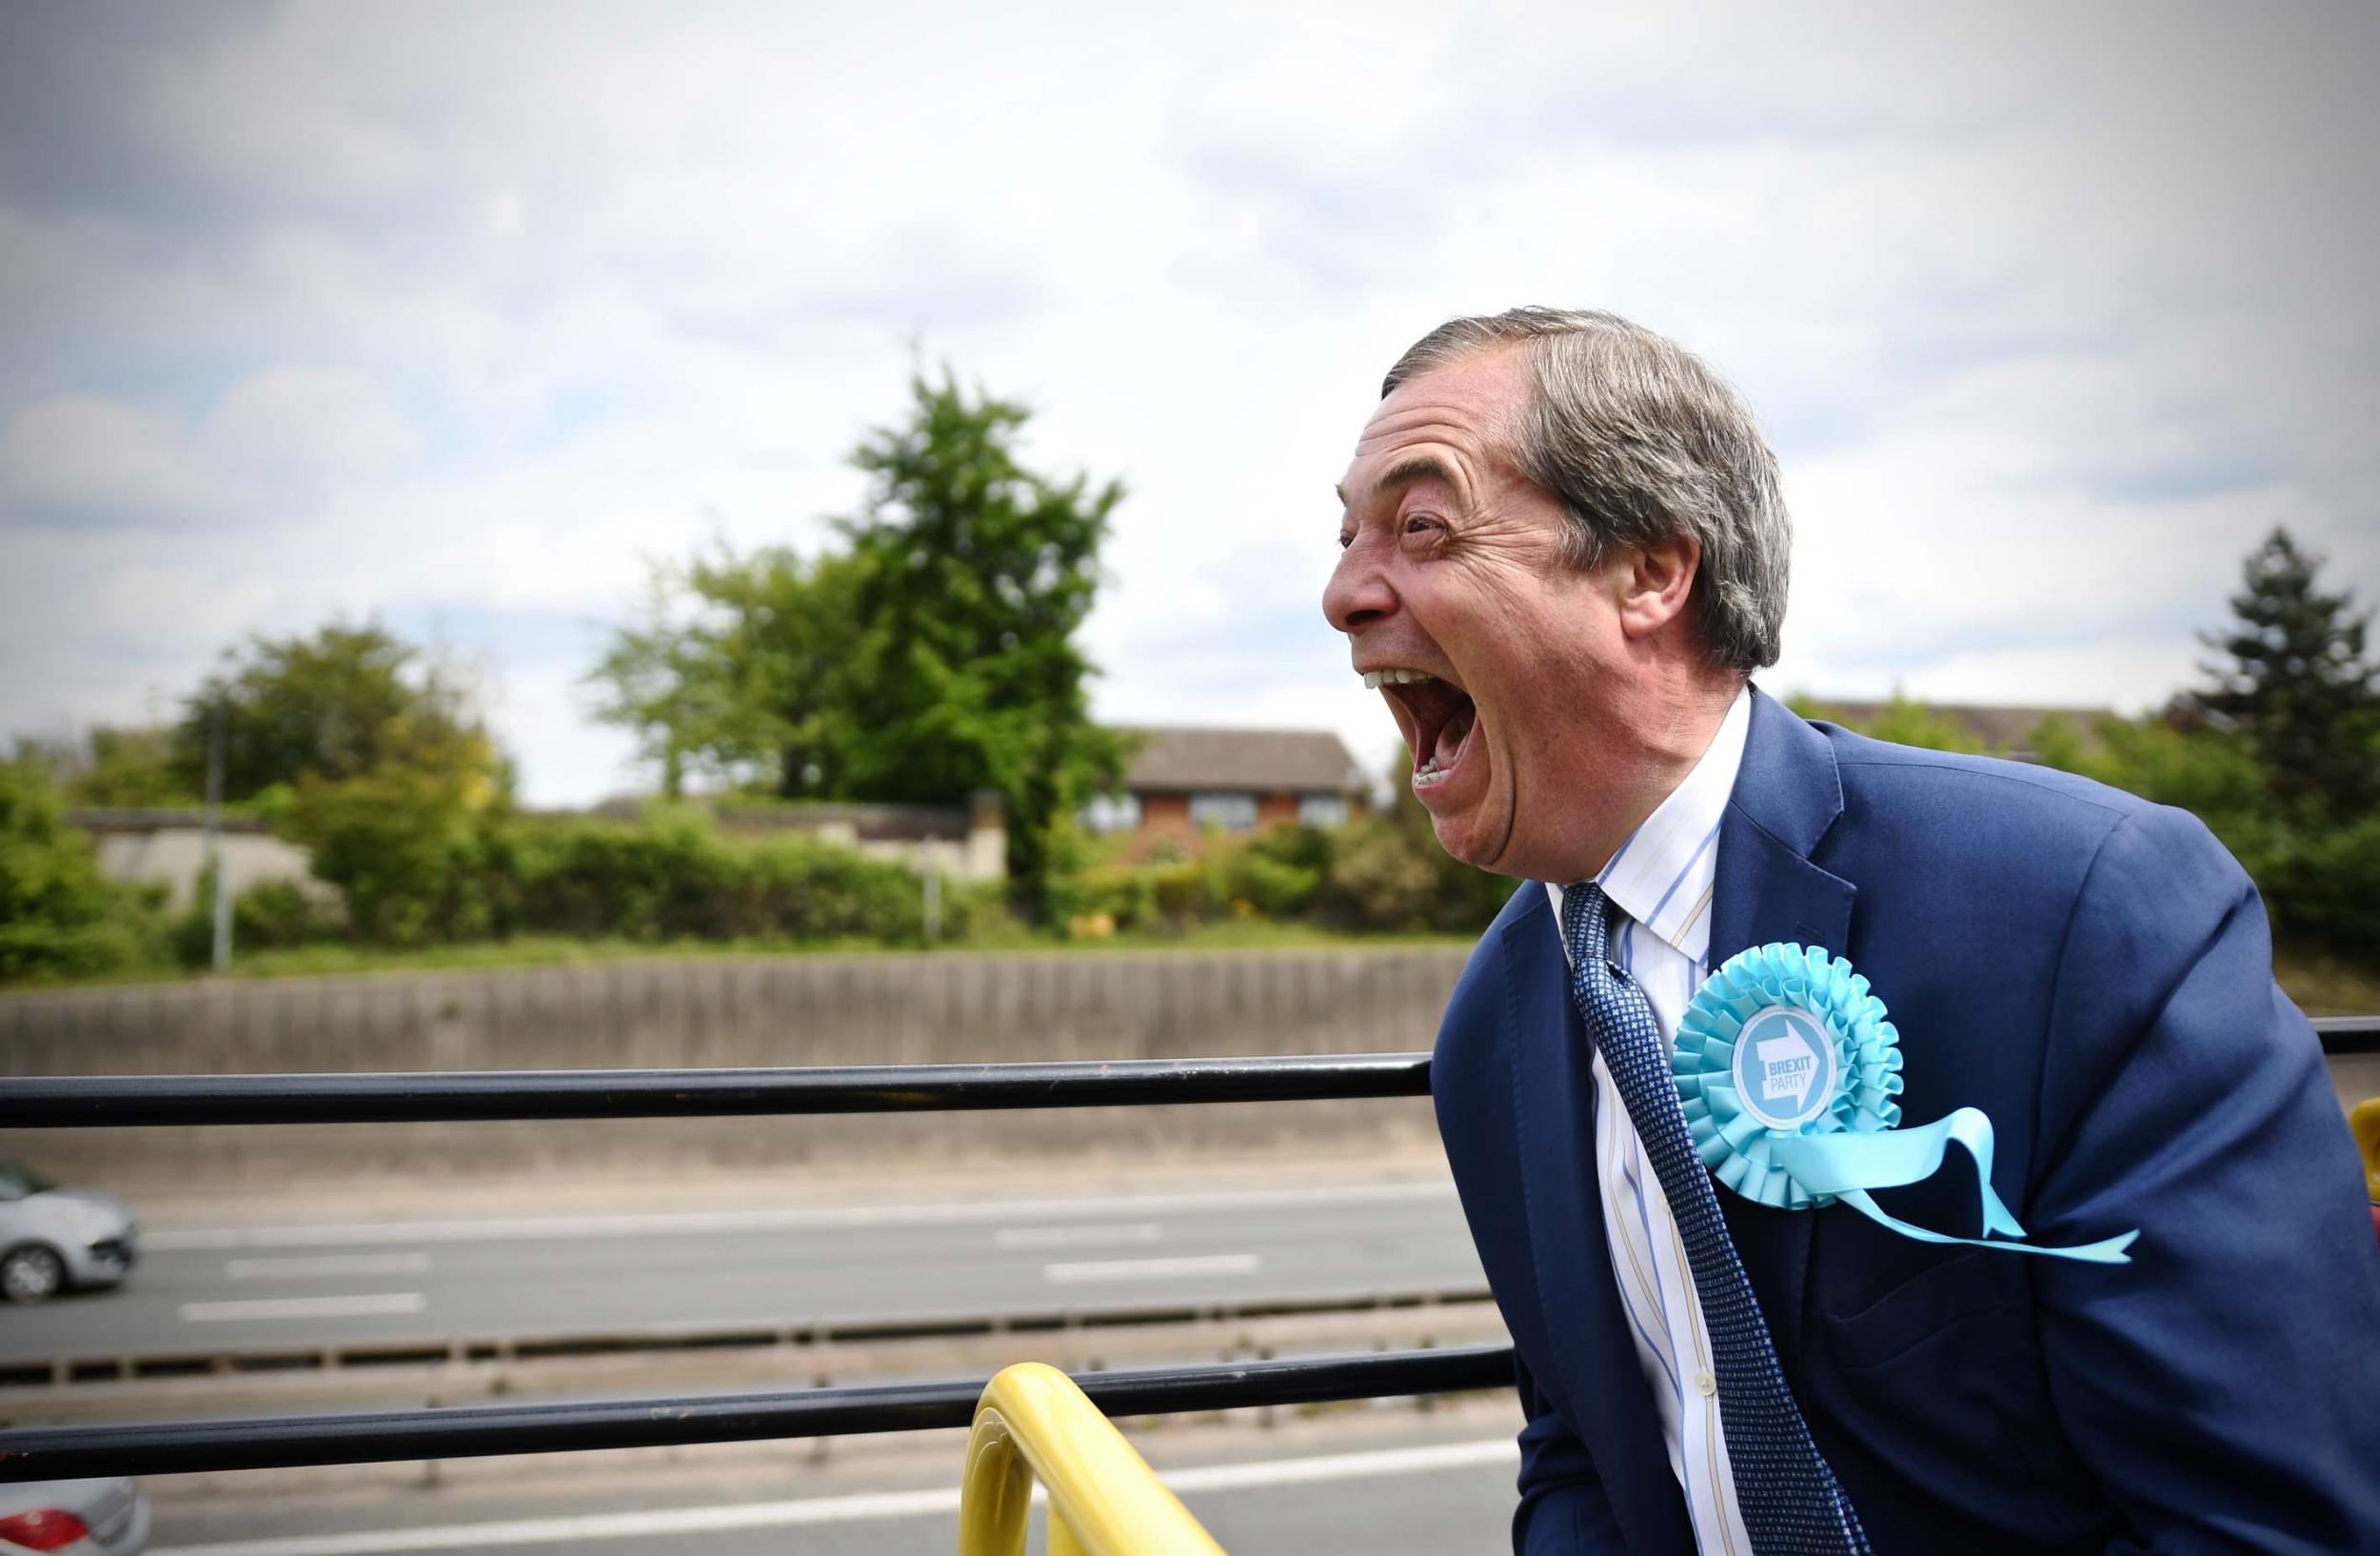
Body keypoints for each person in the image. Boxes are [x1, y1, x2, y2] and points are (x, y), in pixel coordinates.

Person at [1321, 308, 2380, 1555]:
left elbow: (2268, 1517)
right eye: (1345, 537)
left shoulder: (2085, 912)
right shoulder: (1490, 1029)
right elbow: (1581, 1451)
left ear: (1651, 573)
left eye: (1423, 525)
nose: (1344, 593)